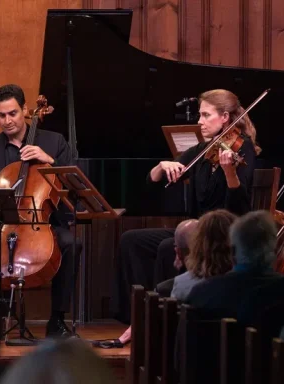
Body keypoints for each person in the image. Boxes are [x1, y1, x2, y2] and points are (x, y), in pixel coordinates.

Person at [111, 89, 259, 324]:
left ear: (225, 118)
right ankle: (136, 319)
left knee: (169, 246)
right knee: (131, 240)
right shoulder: (202, 151)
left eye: (205, 115)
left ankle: (165, 319)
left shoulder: (244, 149)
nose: (199, 122)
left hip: (222, 233)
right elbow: (152, 181)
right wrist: (162, 166)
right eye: (200, 115)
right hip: (195, 229)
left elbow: (240, 207)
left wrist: (230, 173)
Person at [0, 84, 77, 338]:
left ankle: (57, 320)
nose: (7, 121)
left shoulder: (54, 142)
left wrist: (49, 160)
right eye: (2, 115)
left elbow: (74, 183)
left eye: (13, 113)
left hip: (41, 223)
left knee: (70, 244)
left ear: (24, 110)